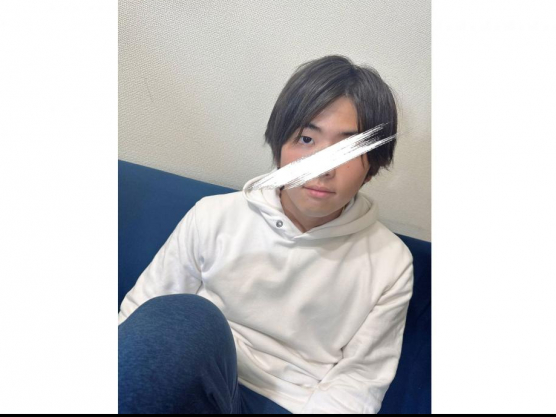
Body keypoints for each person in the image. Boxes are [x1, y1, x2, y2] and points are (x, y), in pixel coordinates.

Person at [118, 54, 414, 414]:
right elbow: (144, 314)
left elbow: (359, 382)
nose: (322, 168)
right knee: (185, 316)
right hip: (196, 379)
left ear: (374, 163)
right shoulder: (214, 215)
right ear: (279, 145)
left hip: (291, 403)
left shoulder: (390, 262)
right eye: (306, 139)